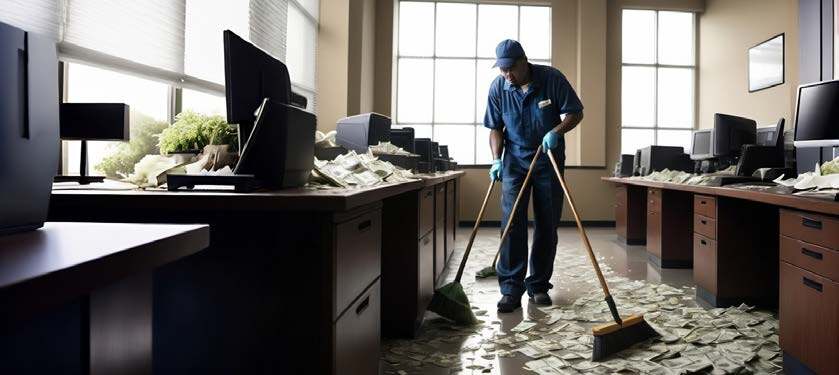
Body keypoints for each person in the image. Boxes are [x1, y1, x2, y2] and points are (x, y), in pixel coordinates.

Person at [484, 39, 584, 313]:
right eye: (502, 70)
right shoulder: (499, 87)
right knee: (512, 223)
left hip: (548, 159)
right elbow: (494, 127)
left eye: (511, 68)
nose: (507, 75)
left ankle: (538, 285)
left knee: (547, 222)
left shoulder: (551, 78)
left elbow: (575, 113)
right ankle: (510, 288)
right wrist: (496, 159)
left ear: (524, 61)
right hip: (514, 161)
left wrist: (557, 131)